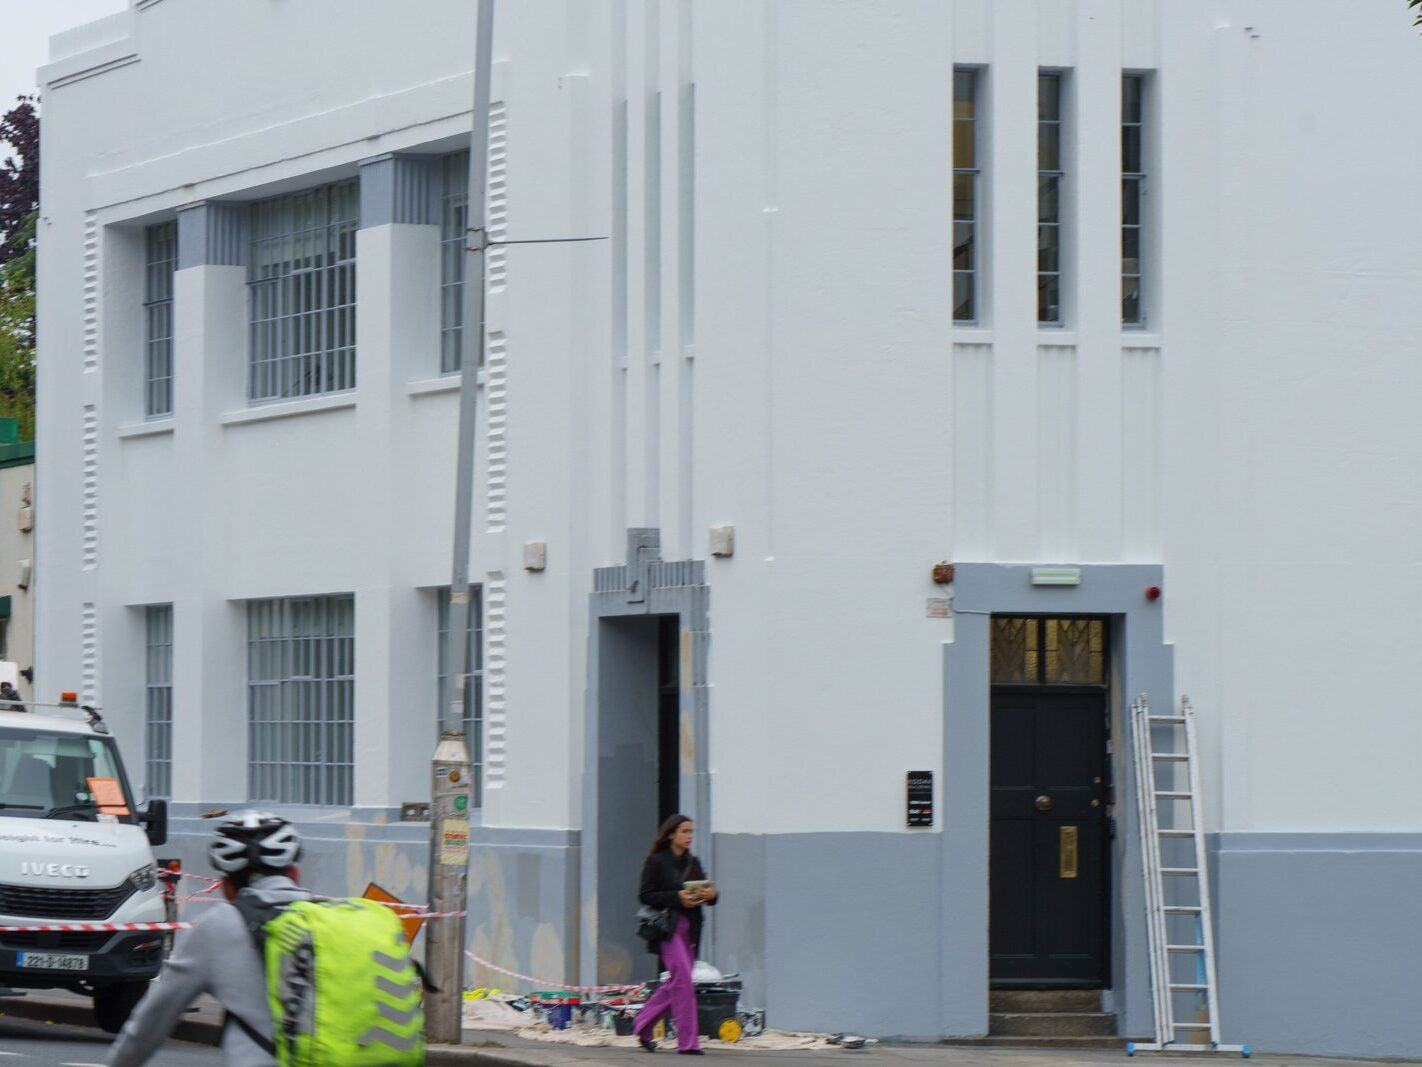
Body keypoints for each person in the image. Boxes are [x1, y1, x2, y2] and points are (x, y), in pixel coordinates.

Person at [107, 811, 310, 1067]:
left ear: (225, 887)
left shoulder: (219, 925)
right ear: (295, 874)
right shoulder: (335, 920)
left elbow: (151, 1022)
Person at [632, 814, 719, 1055]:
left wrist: (711, 895)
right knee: (683, 982)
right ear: (671, 834)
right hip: (667, 929)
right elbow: (645, 895)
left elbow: (708, 896)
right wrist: (676, 897)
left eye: (691, 831)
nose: (689, 836)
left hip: (691, 929)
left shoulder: (694, 862)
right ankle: (688, 1042)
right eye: (684, 831)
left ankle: (642, 1024)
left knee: (676, 983)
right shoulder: (656, 861)